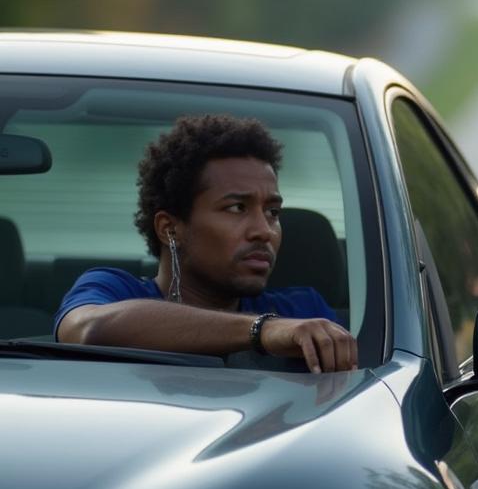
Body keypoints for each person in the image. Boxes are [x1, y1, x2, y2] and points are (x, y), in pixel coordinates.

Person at [56, 114, 357, 373]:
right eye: (237, 208)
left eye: (272, 212)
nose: (264, 231)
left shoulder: (304, 312)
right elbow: (85, 329)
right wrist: (264, 330)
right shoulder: (113, 290)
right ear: (170, 229)